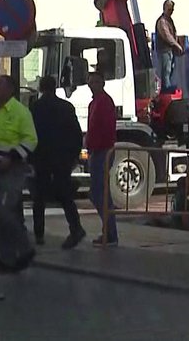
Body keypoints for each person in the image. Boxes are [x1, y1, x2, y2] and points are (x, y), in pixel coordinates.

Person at [0, 75, 39, 273]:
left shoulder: (21, 112)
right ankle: (4, 257)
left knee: (2, 212)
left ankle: (23, 249)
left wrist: (12, 157)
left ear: (10, 90)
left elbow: (31, 140)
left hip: (11, 171)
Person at [28, 76, 86, 249]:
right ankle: (75, 227)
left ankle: (39, 234)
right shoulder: (66, 107)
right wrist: (73, 156)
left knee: (39, 197)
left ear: (41, 88)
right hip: (62, 159)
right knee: (65, 196)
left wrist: (30, 159)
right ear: (55, 88)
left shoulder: (35, 108)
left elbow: (30, 135)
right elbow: (76, 134)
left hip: (41, 158)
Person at [85, 70, 119, 247]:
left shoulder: (104, 102)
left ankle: (110, 232)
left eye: (96, 82)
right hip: (96, 151)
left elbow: (104, 129)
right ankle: (109, 231)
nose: (93, 85)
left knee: (100, 193)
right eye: (91, 82)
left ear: (102, 83)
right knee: (98, 193)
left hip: (102, 151)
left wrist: (95, 146)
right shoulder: (95, 103)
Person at [155, 0, 183, 92]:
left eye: (172, 10)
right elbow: (166, 35)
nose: (171, 11)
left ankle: (167, 86)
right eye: (169, 9)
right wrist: (176, 45)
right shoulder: (162, 21)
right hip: (164, 50)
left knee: (170, 69)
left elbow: (173, 34)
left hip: (170, 50)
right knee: (166, 70)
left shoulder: (169, 20)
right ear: (165, 8)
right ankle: (166, 88)